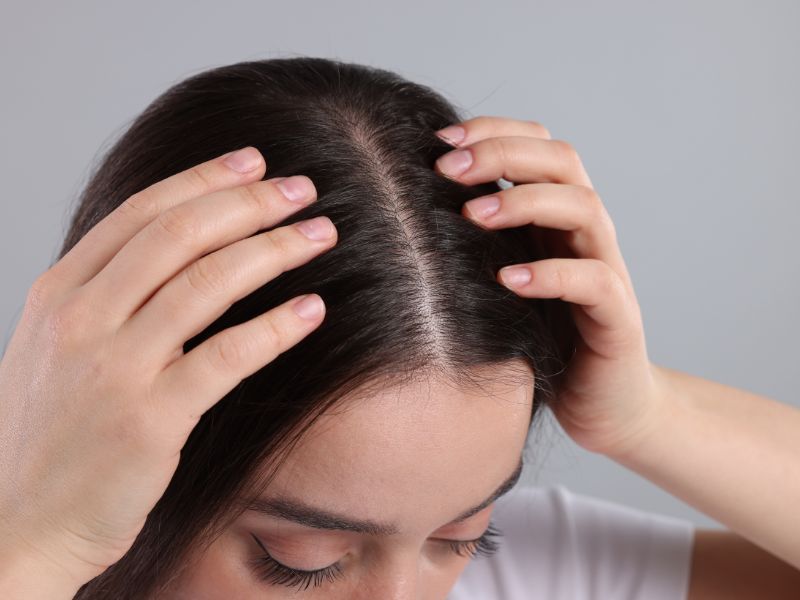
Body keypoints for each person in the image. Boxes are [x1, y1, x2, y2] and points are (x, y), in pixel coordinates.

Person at [0, 57, 799, 600]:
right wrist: (36, 542)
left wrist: (647, 414)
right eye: (301, 564)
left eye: (462, 538)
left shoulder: (533, 570)